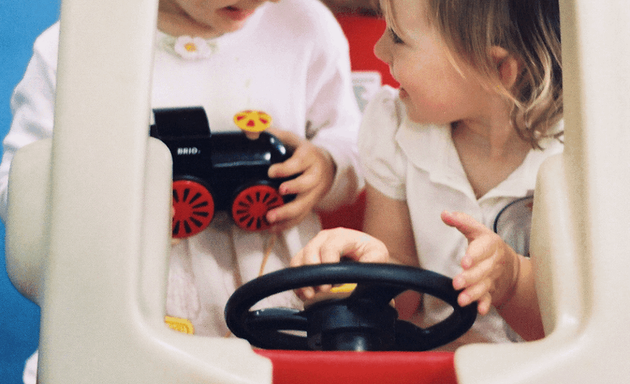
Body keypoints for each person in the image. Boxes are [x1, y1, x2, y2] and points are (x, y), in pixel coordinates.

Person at [2, 0, 363, 381]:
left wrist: (328, 164)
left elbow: (350, 138)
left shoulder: (305, 26)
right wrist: (103, 206)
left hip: (274, 323)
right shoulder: (75, 45)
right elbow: (19, 182)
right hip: (122, 325)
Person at [291, 0, 563, 347]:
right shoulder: (394, 126)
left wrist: (510, 282)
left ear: (496, 68)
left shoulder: (579, 155)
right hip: (437, 362)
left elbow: (571, 325)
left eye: (398, 38)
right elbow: (403, 296)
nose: (379, 48)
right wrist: (365, 266)